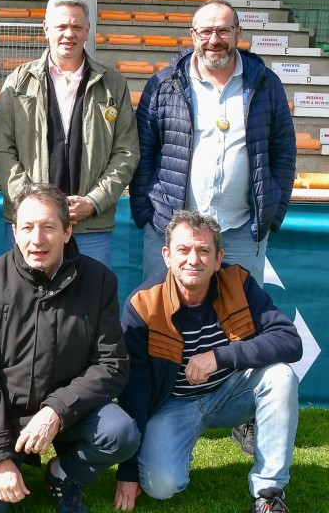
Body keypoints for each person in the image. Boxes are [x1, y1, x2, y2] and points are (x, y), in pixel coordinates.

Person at [0, 183, 139, 513]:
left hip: (70, 414)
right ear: (14, 231)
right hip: (5, 418)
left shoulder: (99, 281)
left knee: (121, 433)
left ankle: (63, 474)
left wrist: (56, 410)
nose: (37, 239)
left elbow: (112, 365)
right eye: (27, 227)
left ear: (68, 231)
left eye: (48, 227)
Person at [114, 210, 301, 513]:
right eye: (183, 249)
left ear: (218, 259)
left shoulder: (238, 282)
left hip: (231, 391)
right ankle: (177, 447)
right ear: (167, 256)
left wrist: (219, 356)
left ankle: (268, 492)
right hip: (174, 404)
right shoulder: (143, 303)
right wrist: (128, 472)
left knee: (281, 376)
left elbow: (290, 341)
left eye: (203, 250)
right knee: (161, 486)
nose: (193, 259)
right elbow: (134, 390)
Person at [130, 0, 296, 284]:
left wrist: (273, 213)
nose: (214, 40)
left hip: (241, 232)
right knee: (165, 309)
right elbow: (143, 152)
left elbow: (283, 152)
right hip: (171, 229)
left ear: (238, 33)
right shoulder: (163, 85)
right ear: (193, 35)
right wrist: (148, 214)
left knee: (241, 309)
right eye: (206, 32)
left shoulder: (266, 84)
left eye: (223, 31)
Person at [0, 0, 138, 267]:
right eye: (61, 26)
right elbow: (0, 150)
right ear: (46, 28)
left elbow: (126, 152)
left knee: (88, 295)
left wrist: (94, 202)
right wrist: (33, 203)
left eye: (77, 26)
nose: (69, 34)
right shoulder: (18, 82)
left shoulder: (114, 84)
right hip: (32, 226)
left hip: (91, 228)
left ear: (87, 30)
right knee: (26, 294)